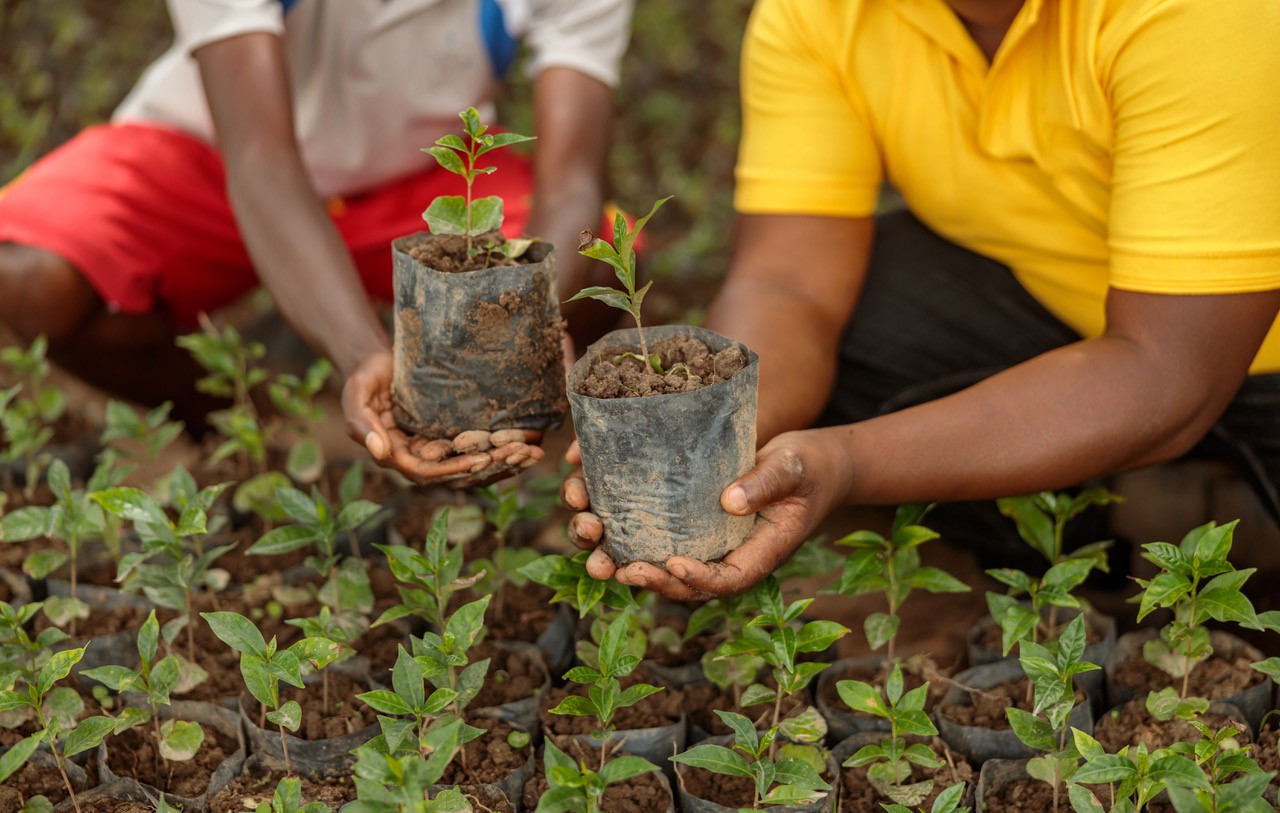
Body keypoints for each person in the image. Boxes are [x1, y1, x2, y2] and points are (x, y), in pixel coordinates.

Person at [565, 0, 1280, 599]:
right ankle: (1109, 556)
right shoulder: (824, 13)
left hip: (1236, 351)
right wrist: (714, 442)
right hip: (1067, 304)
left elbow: (1169, 369)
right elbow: (791, 284)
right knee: (864, 320)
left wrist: (846, 463)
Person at [0, 0, 632, 487]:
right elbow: (261, 162)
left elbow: (571, 183)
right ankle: (242, 420)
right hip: (214, 158)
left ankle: (455, 399)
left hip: (416, 173)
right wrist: (363, 353)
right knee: (26, 276)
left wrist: (526, 323)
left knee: (602, 249)